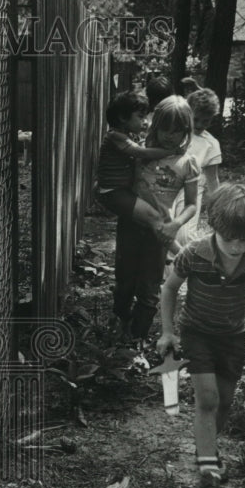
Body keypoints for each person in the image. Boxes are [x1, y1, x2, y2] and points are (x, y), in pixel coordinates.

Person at [156, 183, 245, 488]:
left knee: (226, 401)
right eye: (229, 238)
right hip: (197, 332)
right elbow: (169, 289)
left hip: (233, 336)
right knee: (208, 398)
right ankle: (209, 473)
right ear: (214, 227)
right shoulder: (195, 253)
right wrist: (168, 331)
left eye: (243, 239)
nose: (236, 246)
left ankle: (207, 451)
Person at [95, 90, 182, 342]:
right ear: (123, 118)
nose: (145, 122)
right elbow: (141, 154)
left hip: (120, 192)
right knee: (156, 218)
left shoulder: (126, 134)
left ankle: (127, 323)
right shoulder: (115, 136)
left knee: (152, 220)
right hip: (113, 192)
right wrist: (169, 151)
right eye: (140, 116)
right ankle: (182, 253)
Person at [133, 95, 200, 257]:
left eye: (176, 131)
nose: (169, 136)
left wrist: (176, 224)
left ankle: (184, 261)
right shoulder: (141, 151)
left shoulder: (187, 163)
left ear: (186, 130)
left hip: (162, 230)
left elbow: (191, 205)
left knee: (151, 278)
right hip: (131, 225)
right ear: (155, 127)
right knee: (125, 275)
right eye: (164, 129)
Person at [173, 87, 223, 248]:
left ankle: (192, 267)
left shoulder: (211, 144)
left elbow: (212, 180)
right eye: (197, 119)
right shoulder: (174, 132)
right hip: (167, 182)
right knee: (162, 230)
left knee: (184, 235)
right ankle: (164, 272)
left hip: (192, 189)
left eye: (206, 121)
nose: (200, 124)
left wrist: (217, 207)